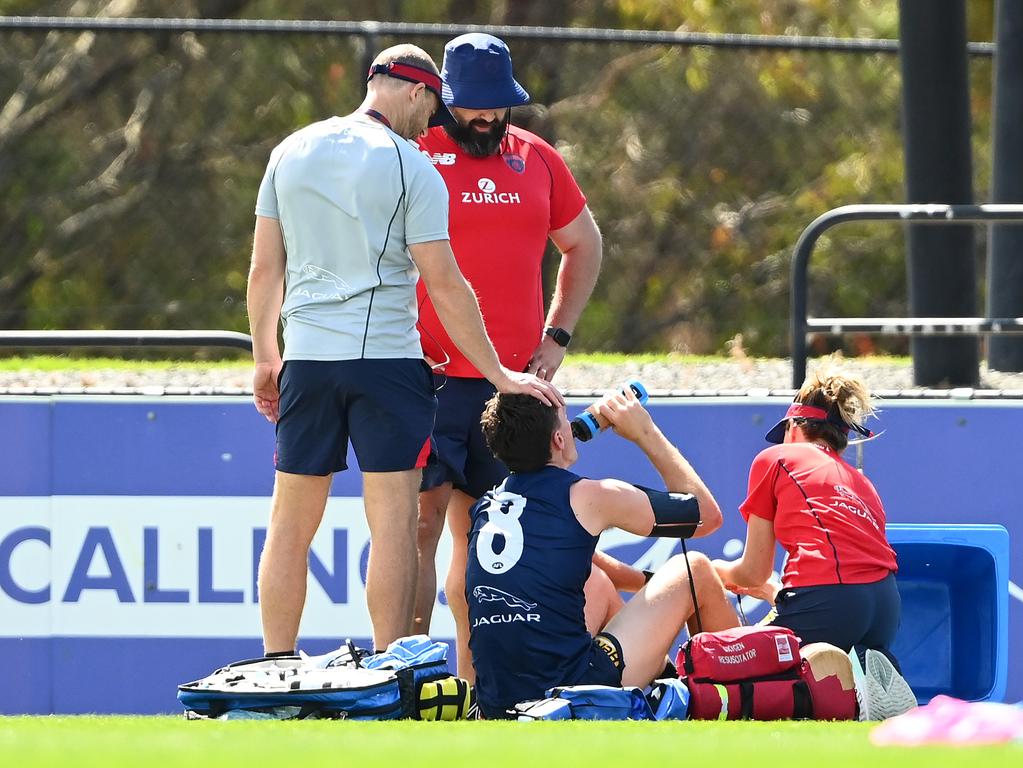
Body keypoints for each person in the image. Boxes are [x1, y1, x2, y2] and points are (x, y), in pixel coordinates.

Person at [246, 43, 562, 657]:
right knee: (392, 526)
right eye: (432, 107)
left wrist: (266, 357)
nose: (433, 124)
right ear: (415, 91)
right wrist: (499, 373)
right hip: (388, 366)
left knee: (289, 525)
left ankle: (276, 663)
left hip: (307, 361)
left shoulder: (290, 151)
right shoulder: (413, 166)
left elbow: (264, 268)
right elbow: (445, 284)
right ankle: (392, 670)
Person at [412, 33, 604, 679]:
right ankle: (404, 676)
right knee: (418, 527)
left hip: (511, 391)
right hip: (428, 380)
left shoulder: (539, 159)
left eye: (499, 106)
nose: (488, 119)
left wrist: (557, 338)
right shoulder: (416, 151)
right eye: (474, 107)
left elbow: (585, 245)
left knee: (492, 554)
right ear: (446, 99)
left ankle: (478, 689)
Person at [465, 388, 740, 718]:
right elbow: (707, 516)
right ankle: (744, 693)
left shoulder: (486, 506)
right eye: (566, 421)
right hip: (566, 694)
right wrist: (644, 432)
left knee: (597, 582)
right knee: (695, 569)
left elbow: (570, 559)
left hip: (497, 701)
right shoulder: (590, 496)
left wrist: (648, 583)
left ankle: (663, 686)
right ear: (559, 439)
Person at [713, 362, 903, 668]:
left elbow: (753, 572)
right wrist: (773, 592)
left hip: (830, 602)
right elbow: (853, 573)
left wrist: (713, 572)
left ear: (794, 426)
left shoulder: (776, 458)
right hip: (886, 609)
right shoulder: (863, 483)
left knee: (722, 665)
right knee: (820, 689)